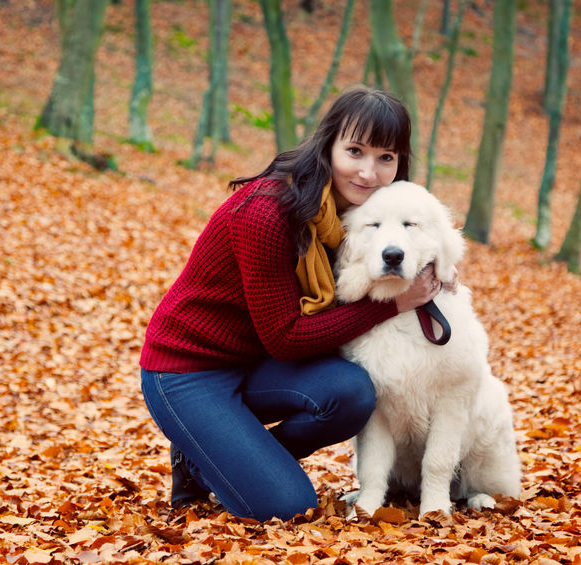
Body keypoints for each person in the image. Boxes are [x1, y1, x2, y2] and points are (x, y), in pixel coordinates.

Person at [139, 85, 445, 521]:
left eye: (385, 158)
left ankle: (218, 459)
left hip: (253, 363)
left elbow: (408, 247)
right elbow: (286, 338)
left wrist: (434, 269)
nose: (368, 172)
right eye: (355, 151)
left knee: (352, 393)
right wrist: (393, 305)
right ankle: (211, 456)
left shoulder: (353, 217)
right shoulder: (267, 212)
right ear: (328, 145)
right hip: (187, 370)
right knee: (288, 507)